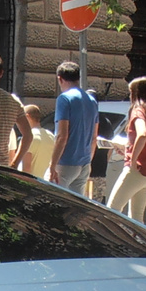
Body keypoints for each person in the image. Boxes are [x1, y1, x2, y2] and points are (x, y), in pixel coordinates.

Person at [107, 75, 146, 221]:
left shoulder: (138, 110)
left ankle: (112, 244)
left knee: (111, 211)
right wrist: (128, 148)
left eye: (130, 93)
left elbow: (143, 134)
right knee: (137, 219)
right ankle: (138, 243)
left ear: (136, 93)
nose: (129, 96)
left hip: (136, 172)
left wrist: (132, 159)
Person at [48, 60, 98, 197]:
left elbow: (61, 136)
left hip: (65, 163)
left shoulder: (64, 99)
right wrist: (88, 161)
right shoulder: (92, 101)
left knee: (54, 203)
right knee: (76, 208)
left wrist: (52, 165)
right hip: (84, 163)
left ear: (60, 78)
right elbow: (94, 137)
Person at [19, 104, 56, 178]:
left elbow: (26, 168)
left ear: (27, 116)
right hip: (43, 182)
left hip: (30, 183)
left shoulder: (28, 137)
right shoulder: (51, 136)